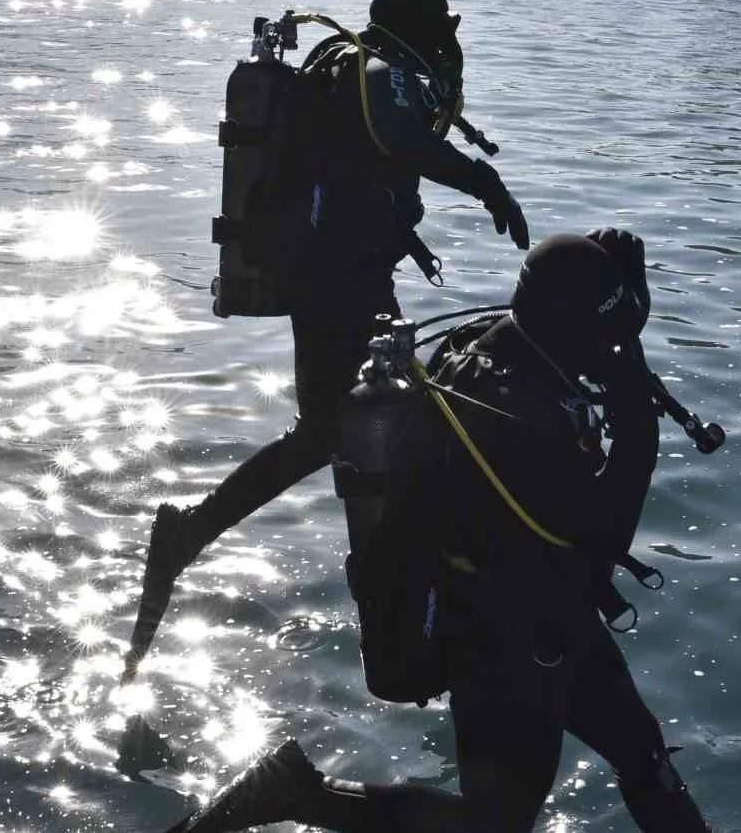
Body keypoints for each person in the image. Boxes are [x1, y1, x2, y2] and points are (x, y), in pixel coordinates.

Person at [163, 229, 712, 833]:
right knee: (494, 823)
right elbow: (600, 542)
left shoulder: (496, 346)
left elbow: (593, 329)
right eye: (602, 338)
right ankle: (299, 794)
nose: (610, 354)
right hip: (503, 644)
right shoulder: (520, 421)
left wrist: (621, 291)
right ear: (571, 329)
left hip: (551, 617)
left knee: (642, 754)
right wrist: (639, 430)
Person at [122, 0, 530, 682]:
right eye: (440, 30)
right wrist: (483, 181)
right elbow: (400, 138)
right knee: (376, 424)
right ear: (419, 29)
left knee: (358, 428)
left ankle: (206, 537)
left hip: (346, 276)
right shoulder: (374, 70)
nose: (446, 47)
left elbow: (367, 166)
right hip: (335, 286)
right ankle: (399, 603)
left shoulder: (347, 70)